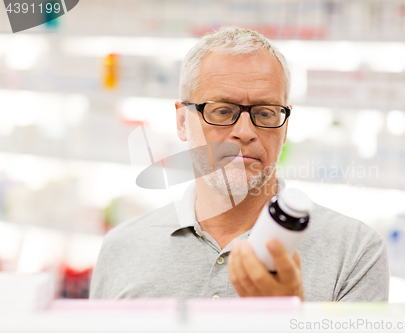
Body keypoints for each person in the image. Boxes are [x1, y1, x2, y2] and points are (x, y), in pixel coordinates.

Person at [89, 26, 389, 302]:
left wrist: (286, 317)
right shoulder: (121, 247)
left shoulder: (355, 252)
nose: (245, 132)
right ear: (182, 121)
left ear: (285, 127)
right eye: (221, 111)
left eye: (265, 113)